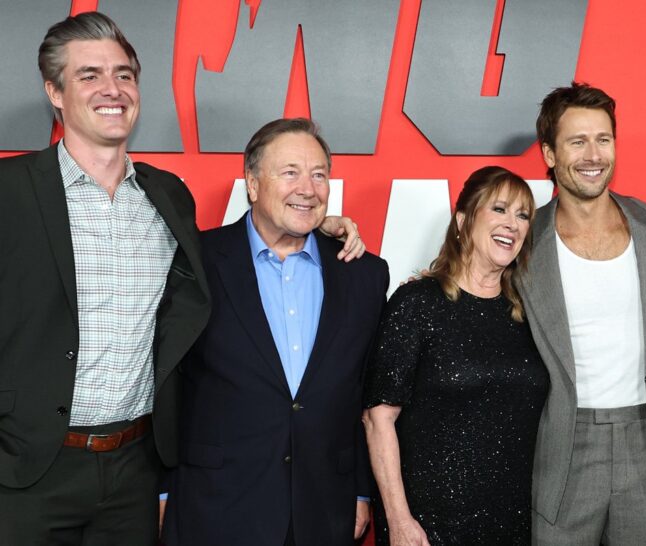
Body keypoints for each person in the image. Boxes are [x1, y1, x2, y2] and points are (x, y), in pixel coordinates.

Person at [0, 13, 363, 545]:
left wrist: (315, 224)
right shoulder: (9, 191)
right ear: (55, 92)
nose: (112, 89)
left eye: (124, 75)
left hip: (134, 471)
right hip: (26, 470)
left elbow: (241, 253)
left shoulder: (167, 196)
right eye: (89, 75)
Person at [160, 118, 386, 545]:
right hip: (216, 505)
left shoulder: (364, 275)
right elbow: (168, 380)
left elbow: (362, 392)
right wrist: (161, 488)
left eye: (319, 175)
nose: (308, 188)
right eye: (290, 173)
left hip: (324, 507)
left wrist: (359, 489)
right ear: (252, 184)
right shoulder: (197, 262)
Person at [518, 82, 646, 545]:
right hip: (562, 443)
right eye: (577, 141)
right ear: (549, 153)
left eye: (603, 139)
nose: (593, 155)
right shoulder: (523, 240)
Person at [363, 166, 548, 546]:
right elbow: (378, 418)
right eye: (499, 209)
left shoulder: (529, 314)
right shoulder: (417, 304)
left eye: (523, 215)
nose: (512, 224)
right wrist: (399, 520)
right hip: (428, 526)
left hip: (512, 524)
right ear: (463, 221)